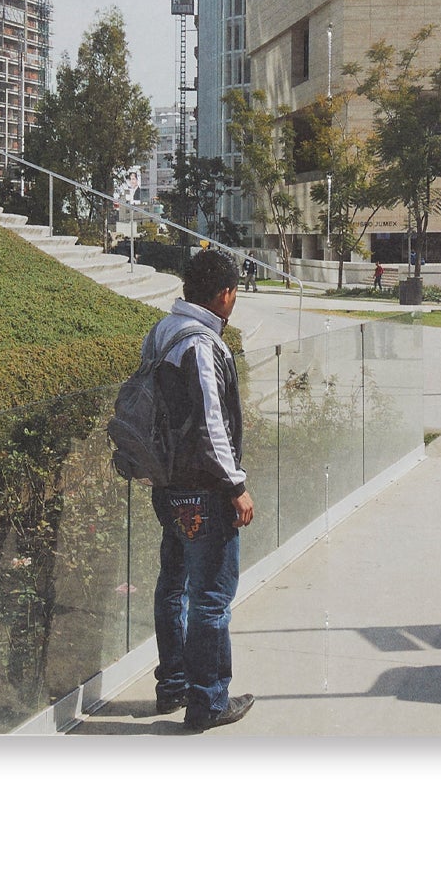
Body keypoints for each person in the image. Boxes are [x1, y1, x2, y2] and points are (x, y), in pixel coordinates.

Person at [141, 246, 255, 732]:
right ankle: (208, 701)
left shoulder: (162, 331)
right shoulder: (202, 344)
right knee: (210, 596)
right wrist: (235, 486)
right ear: (224, 295)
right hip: (204, 492)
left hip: (167, 485)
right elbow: (212, 423)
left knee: (173, 587)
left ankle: (174, 684)